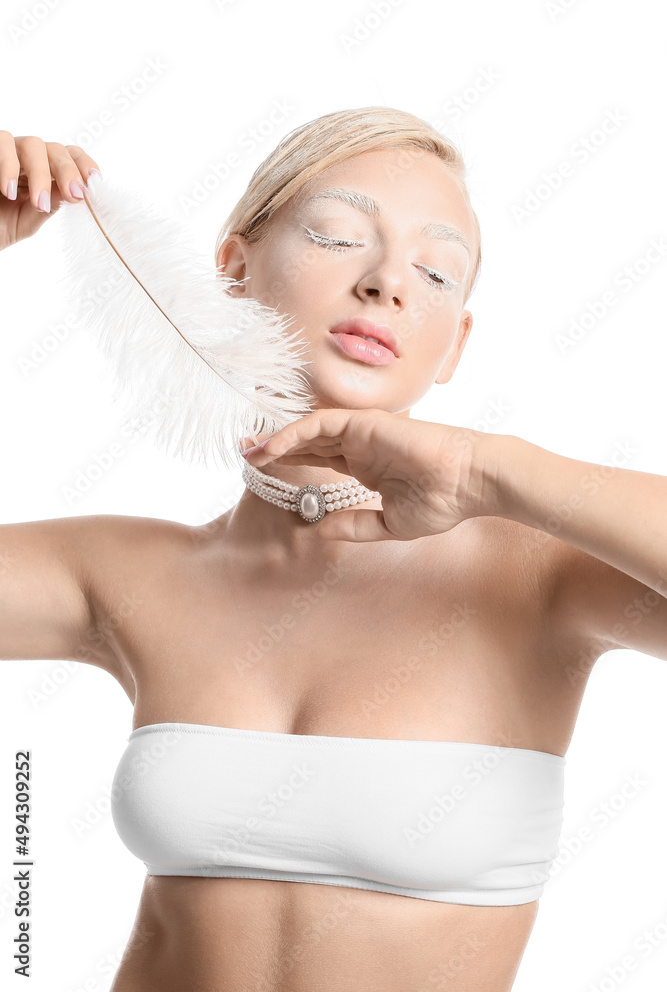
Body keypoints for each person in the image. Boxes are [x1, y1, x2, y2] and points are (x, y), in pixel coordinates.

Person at [1, 108, 666, 992]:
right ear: (232, 270)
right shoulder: (122, 576)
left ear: (454, 346)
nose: (388, 281)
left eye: (436, 271)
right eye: (337, 235)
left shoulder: (543, 573)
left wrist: (486, 467)